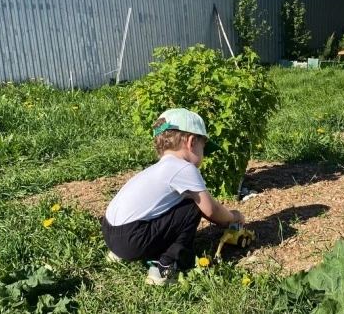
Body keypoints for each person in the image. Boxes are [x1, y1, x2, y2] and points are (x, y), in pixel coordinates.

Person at [101, 108, 246, 285]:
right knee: (194, 205)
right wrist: (233, 217)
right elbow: (210, 209)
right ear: (192, 142)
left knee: (183, 204)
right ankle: (165, 265)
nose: (203, 157)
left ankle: (119, 254)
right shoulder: (184, 167)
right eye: (203, 148)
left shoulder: (155, 170)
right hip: (131, 239)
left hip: (110, 233)